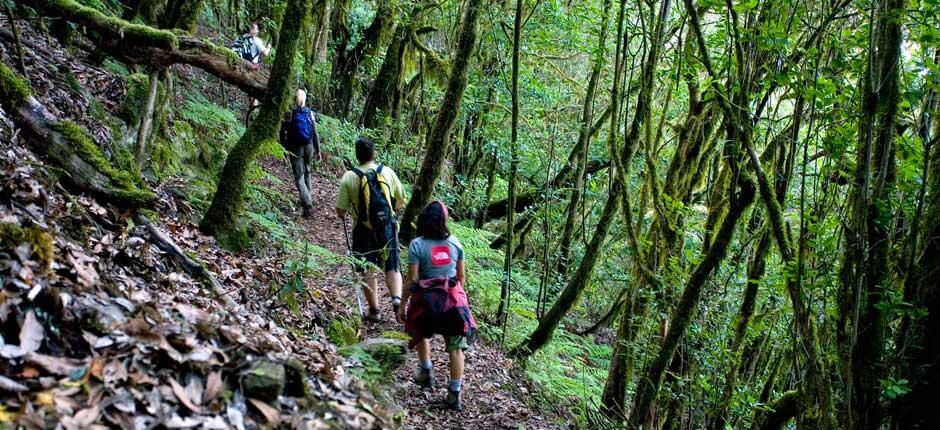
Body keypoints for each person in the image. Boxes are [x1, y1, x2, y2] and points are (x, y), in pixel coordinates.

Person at [397, 201, 477, 411]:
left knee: (421, 331)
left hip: (426, 303)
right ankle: (454, 393)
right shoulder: (455, 243)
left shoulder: (417, 245)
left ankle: (426, 371)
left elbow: (413, 280)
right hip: (451, 303)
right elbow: (460, 277)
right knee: (457, 348)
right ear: (444, 220)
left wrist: (402, 304)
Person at [335, 137, 406, 321]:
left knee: (368, 268)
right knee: (392, 265)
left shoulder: (350, 177)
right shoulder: (388, 172)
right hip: (388, 227)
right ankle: (397, 301)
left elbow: (340, 210)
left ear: (357, 155)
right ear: (374, 153)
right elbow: (400, 200)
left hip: (363, 229)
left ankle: (374, 311)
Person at [279, 88, 321, 218]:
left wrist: (284, 147)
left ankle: (307, 203)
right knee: (307, 171)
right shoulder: (310, 113)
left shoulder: (289, 114)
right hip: (309, 146)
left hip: (295, 147)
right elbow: (315, 133)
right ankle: (307, 200)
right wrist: (318, 150)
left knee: (299, 177)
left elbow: (282, 132)